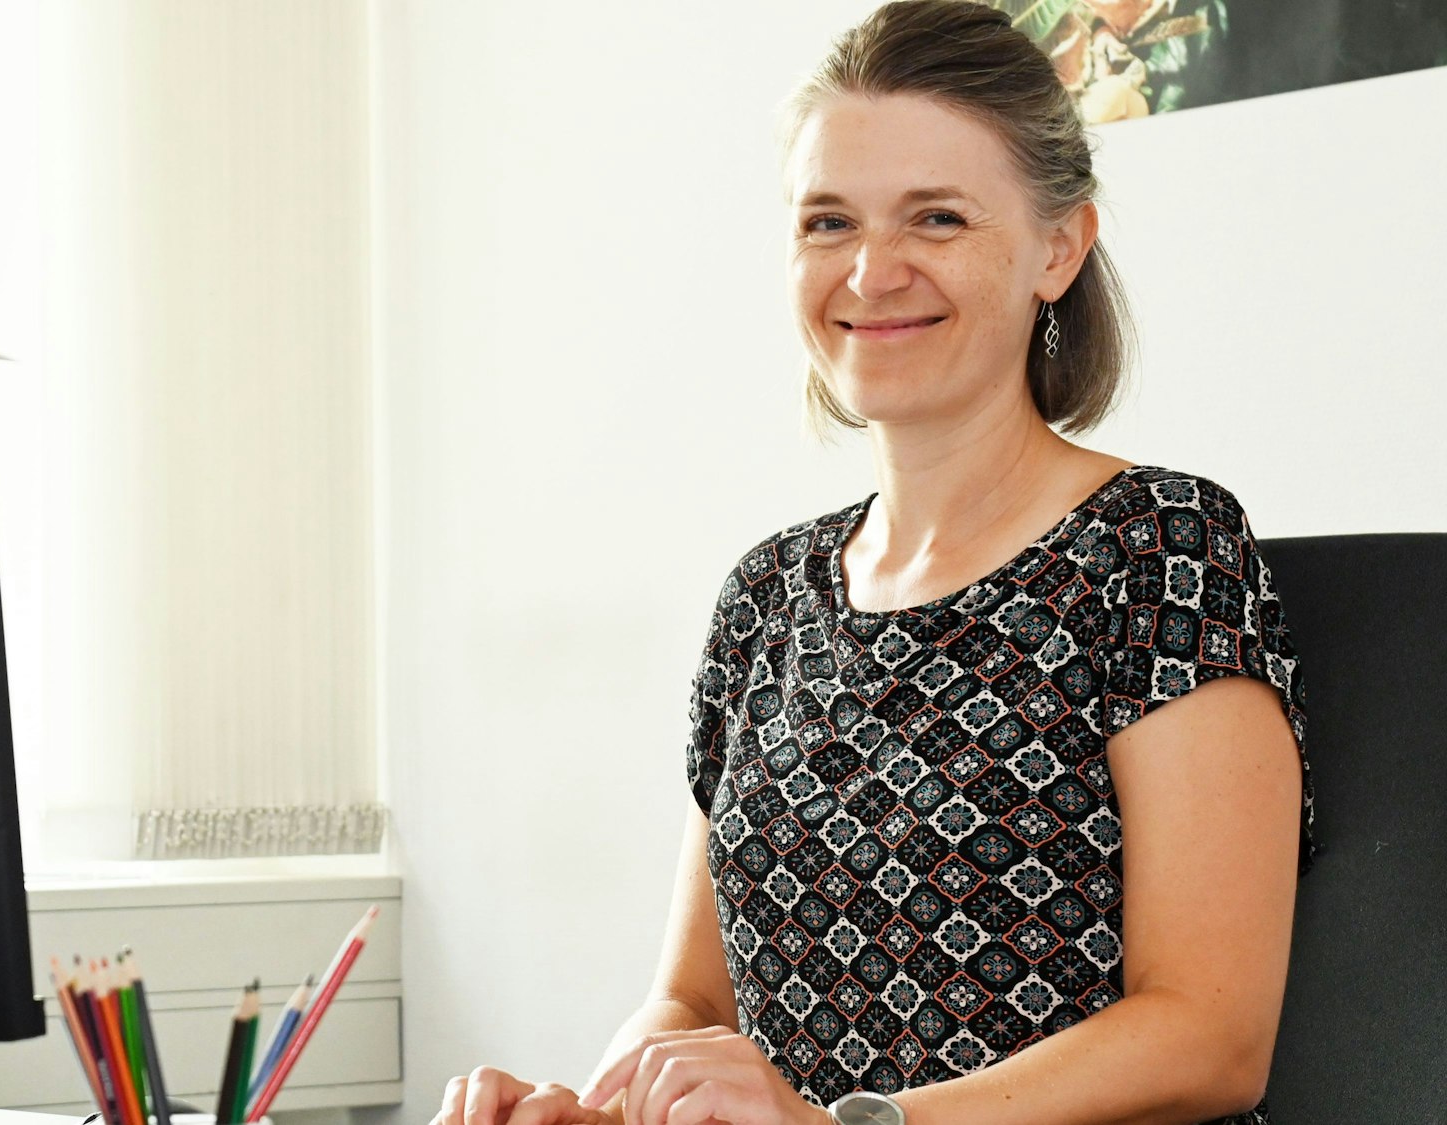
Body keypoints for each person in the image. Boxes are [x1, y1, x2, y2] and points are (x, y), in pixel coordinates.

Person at [429, 3, 1314, 1124]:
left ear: (1058, 246)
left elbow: (1208, 1032)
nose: (869, 271)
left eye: (934, 219)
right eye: (826, 222)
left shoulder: (1158, 547)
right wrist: (591, 1110)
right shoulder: (766, 596)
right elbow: (692, 1000)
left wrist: (851, 1124)